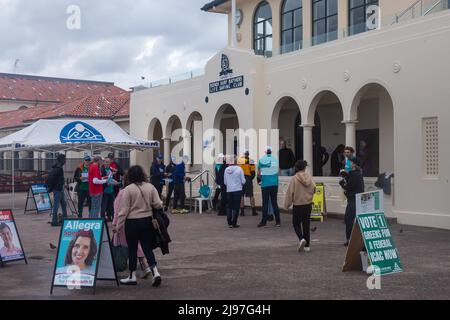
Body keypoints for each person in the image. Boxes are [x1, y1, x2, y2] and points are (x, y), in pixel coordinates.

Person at [114, 165, 163, 287]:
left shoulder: (128, 189)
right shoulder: (150, 187)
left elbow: (123, 210)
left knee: (132, 249)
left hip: (132, 222)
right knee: (147, 248)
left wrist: (118, 226)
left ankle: (132, 276)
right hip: (147, 221)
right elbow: (158, 204)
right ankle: (155, 272)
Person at [113, 171, 151, 278]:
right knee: (138, 245)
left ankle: (137, 270)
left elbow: (118, 210)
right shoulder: (143, 190)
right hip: (141, 221)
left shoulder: (123, 192)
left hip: (126, 223)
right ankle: (146, 266)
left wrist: (115, 224)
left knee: (133, 246)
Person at [284, 161, 316, 253]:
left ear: (296, 168)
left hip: (298, 204)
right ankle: (307, 246)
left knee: (296, 223)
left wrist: (286, 205)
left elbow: (290, 193)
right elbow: (314, 188)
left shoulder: (294, 178)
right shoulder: (309, 177)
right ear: (305, 168)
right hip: (308, 203)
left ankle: (301, 239)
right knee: (306, 224)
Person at [339, 157, 365, 246]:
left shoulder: (354, 174)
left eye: (350, 162)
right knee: (352, 220)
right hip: (356, 199)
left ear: (354, 164)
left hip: (353, 200)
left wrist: (342, 182)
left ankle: (350, 239)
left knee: (349, 220)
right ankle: (353, 239)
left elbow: (348, 186)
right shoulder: (356, 174)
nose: (348, 164)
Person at [258, 147, 281, 228]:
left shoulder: (261, 160)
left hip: (265, 184)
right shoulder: (275, 159)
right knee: (274, 202)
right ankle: (278, 221)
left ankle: (264, 222)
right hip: (274, 184)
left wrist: (261, 179)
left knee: (265, 203)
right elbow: (279, 171)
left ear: (265, 152)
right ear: (271, 152)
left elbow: (259, 173)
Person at [224, 157, 246, 228]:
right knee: (236, 207)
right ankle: (234, 223)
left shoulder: (226, 169)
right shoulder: (239, 169)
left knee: (229, 206)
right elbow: (243, 181)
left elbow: (225, 182)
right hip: (237, 190)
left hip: (229, 190)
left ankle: (229, 222)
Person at [46, 154, 68, 227]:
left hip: (59, 189)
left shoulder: (58, 167)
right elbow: (52, 179)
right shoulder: (58, 168)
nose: (65, 160)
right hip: (57, 189)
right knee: (56, 206)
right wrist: (52, 188)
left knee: (64, 205)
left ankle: (65, 219)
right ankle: (54, 221)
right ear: (61, 160)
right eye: (64, 159)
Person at [238, 151, 258, 216]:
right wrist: (249, 179)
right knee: (251, 195)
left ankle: (242, 212)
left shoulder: (240, 160)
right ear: (248, 154)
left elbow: (237, 170)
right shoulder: (251, 161)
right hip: (248, 178)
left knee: (241, 195)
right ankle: (253, 211)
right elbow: (253, 173)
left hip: (241, 178)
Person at [101, 158, 118, 222]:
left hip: (111, 190)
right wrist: (105, 182)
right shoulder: (102, 170)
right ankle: (102, 219)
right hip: (104, 191)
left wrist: (116, 182)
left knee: (112, 206)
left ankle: (111, 218)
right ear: (104, 163)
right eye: (106, 162)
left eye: (108, 162)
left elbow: (114, 176)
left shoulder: (111, 170)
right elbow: (100, 179)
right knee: (103, 206)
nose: (107, 163)